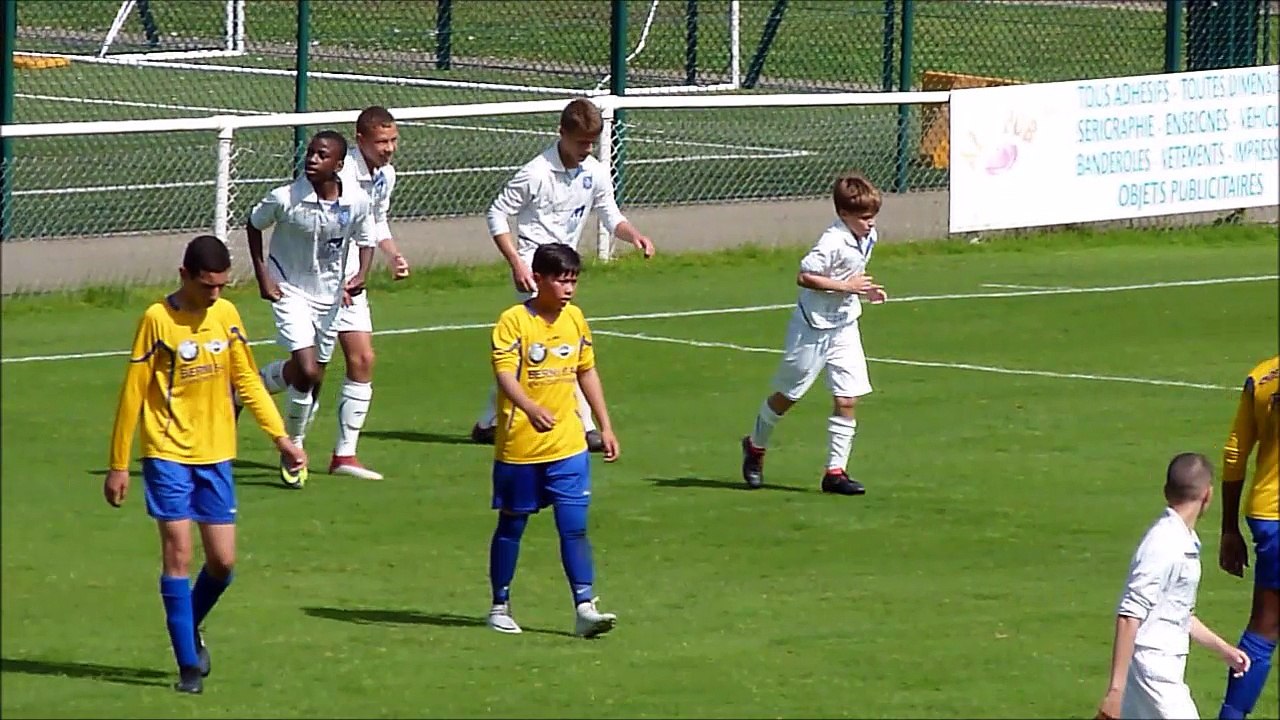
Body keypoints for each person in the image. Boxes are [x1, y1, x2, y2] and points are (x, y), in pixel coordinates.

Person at [104, 235, 307, 694]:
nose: (214, 294)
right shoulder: (157, 320)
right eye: (207, 286)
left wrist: (282, 439)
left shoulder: (227, 316)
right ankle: (188, 668)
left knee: (223, 562)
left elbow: (249, 383)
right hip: (167, 453)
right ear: (184, 276)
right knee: (178, 553)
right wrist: (118, 464)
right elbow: (132, 393)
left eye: (221, 286)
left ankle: (187, 623)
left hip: (216, 455)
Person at [470, 97, 655, 451]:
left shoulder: (595, 172)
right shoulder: (535, 173)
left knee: (530, 349)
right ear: (562, 134)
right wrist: (517, 263)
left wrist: (635, 236)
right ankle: (586, 428)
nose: (586, 149)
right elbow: (496, 214)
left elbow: (610, 213)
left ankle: (486, 423)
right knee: (561, 345)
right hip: (536, 269)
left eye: (591, 142)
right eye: (580, 142)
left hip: (565, 269)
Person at [485, 243, 620, 639]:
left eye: (573, 281)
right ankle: (499, 605)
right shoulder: (513, 322)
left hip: (568, 446)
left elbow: (587, 372)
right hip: (520, 448)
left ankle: (584, 607)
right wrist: (529, 407)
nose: (568, 289)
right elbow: (505, 375)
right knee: (512, 525)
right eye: (561, 280)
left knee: (574, 526)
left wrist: (605, 426)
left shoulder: (575, 319)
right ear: (538, 278)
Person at [739, 172, 887, 495]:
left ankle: (835, 472)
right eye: (864, 218)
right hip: (813, 327)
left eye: (873, 217)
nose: (871, 223)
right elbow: (805, 276)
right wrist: (846, 287)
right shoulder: (831, 241)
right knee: (788, 396)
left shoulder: (868, 237)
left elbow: (853, 274)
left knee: (848, 398)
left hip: (845, 325)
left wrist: (864, 291)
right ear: (844, 214)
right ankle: (755, 446)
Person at [244, 130, 377, 488]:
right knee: (307, 369)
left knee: (311, 376)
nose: (313, 160)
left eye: (322, 155)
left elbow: (367, 239)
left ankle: (248, 388)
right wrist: (263, 277)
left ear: (338, 164)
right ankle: (294, 448)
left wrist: (361, 275)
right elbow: (254, 225)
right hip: (289, 290)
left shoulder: (357, 201)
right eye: (311, 154)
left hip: (332, 298)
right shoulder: (285, 198)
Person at [1096, 452, 1251, 720]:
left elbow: (1178, 614)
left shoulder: (1182, 539)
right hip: (1153, 669)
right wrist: (1115, 691)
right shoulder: (1164, 543)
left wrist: (1223, 650)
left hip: (1157, 665)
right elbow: (1129, 615)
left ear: (1167, 491)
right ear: (1208, 495)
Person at [1217, 355, 1279, 720]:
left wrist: (1228, 527)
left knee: (1266, 623)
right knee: (1266, 626)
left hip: (1267, 513)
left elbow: (1235, 451)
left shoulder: (1261, 375)